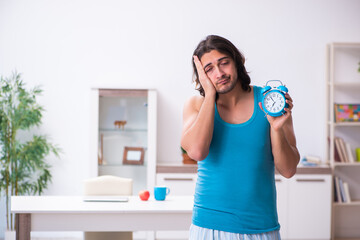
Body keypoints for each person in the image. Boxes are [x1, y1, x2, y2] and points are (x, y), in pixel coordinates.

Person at [181, 35, 300, 240]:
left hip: (261, 226)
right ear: (201, 76)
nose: (219, 73)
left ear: (238, 61)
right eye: (209, 69)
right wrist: (209, 96)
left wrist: (276, 128)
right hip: (209, 226)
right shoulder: (196, 105)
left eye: (224, 63)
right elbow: (197, 151)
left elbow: (288, 170)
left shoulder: (270, 100)